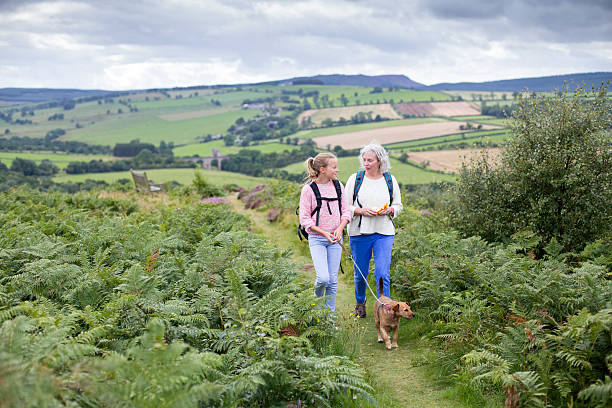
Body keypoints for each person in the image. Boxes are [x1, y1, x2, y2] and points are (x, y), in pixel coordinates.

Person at [345, 142, 403, 318]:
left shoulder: (389, 179)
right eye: (364, 159)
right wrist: (360, 210)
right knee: (360, 273)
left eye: (370, 160)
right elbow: (345, 207)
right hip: (359, 232)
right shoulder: (355, 179)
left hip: (384, 231)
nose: (366, 163)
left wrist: (390, 210)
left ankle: (385, 310)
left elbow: (398, 205)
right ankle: (360, 304)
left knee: (382, 273)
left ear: (380, 161)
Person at [299, 152, 351, 312]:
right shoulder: (308, 190)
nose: (337, 170)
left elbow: (346, 212)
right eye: (334, 167)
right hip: (317, 239)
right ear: (322, 169)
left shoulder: (338, 186)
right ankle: (315, 307)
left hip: (336, 239)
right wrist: (324, 233)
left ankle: (329, 319)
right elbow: (305, 219)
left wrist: (339, 229)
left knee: (333, 281)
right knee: (323, 278)